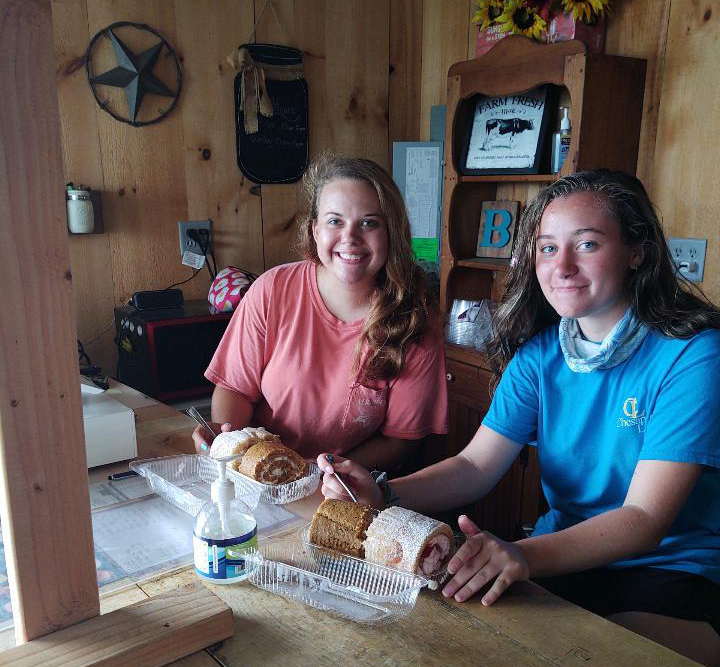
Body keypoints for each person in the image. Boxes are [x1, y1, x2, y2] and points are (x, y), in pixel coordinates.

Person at [318, 170, 720, 666]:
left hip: (672, 571)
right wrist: (384, 492)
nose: (563, 266)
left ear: (637, 251)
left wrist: (523, 554)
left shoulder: (693, 356)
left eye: (587, 244)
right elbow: (474, 467)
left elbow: (643, 520)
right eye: (548, 248)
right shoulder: (541, 355)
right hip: (560, 558)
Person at [191, 154, 448, 471]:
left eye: (369, 223)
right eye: (335, 221)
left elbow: (400, 441)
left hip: (345, 484)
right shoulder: (272, 290)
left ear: (391, 233)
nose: (350, 238)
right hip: (257, 473)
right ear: (315, 231)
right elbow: (235, 389)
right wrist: (229, 443)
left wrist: (316, 471)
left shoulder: (418, 320)